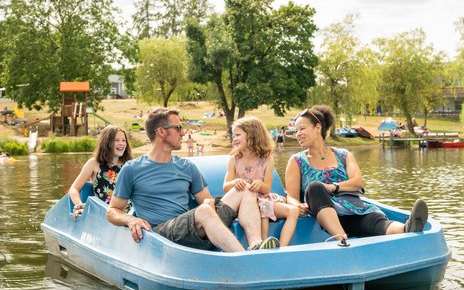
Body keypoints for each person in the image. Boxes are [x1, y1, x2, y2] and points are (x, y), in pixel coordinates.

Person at [106, 107, 263, 252]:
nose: (183, 132)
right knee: (203, 212)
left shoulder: (187, 166)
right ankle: (243, 258)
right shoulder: (132, 169)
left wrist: (209, 202)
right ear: (161, 132)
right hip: (162, 233)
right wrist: (130, 220)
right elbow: (113, 210)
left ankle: (256, 245)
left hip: (195, 227)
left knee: (246, 188)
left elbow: (206, 201)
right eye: (178, 128)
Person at [285, 105, 428, 241]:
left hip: (354, 209)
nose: (298, 134)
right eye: (296, 130)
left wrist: (332, 187)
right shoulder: (296, 161)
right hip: (325, 213)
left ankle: (407, 228)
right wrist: (297, 205)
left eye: (302, 129)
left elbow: (357, 182)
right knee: (314, 187)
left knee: (376, 222)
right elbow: (291, 196)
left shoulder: (343, 155)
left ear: (317, 127)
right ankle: (341, 239)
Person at [223, 117, 298, 247]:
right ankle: (262, 243)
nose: (234, 138)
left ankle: (283, 247)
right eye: (233, 135)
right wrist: (235, 182)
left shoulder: (267, 159)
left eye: (238, 135)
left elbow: (267, 188)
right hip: (245, 204)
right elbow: (225, 187)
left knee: (293, 211)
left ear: (252, 136)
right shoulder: (234, 160)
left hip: (263, 198)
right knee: (263, 210)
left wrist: (260, 185)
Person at [68, 125, 132, 219]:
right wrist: (81, 206)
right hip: (104, 215)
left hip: (129, 215)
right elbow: (74, 188)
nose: (121, 143)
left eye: (124, 140)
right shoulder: (94, 164)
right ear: (107, 142)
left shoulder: (130, 165)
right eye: (116, 140)